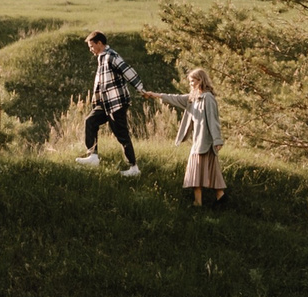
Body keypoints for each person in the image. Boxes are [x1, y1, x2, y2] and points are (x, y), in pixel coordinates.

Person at [148, 68, 226, 207]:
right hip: (198, 142)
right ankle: (209, 201)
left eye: (192, 81)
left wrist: (217, 140)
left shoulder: (208, 98)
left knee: (205, 171)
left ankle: (210, 200)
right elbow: (174, 98)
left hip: (206, 142)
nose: (190, 84)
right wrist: (154, 95)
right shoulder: (193, 98)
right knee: (202, 171)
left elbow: (213, 120)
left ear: (200, 80)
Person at [73, 30, 143, 176]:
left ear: (99, 43)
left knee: (121, 134)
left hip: (117, 102)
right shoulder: (101, 57)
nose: (91, 50)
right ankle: (93, 156)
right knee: (90, 121)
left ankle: (134, 168)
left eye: (92, 46)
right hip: (105, 103)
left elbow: (128, 72)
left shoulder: (112, 56)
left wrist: (141, 89)